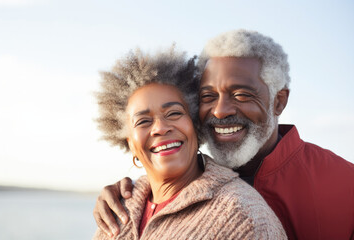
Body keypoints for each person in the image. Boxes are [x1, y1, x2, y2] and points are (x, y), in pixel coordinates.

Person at [94, 30, 354, 239]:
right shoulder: (132, 201)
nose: (219, 111)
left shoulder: (345, 186)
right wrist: (131, 193)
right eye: (208, 96)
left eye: (241, 95)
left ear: (279, 101)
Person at [92, 46, 286, 239]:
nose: (160, 128)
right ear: (130, 143)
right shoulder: (118, 208)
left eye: (174, 113)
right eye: (143, 121)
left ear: (195, 124)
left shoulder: (244, 216)